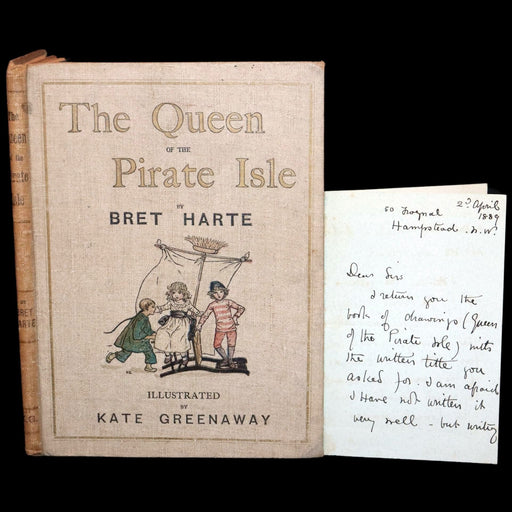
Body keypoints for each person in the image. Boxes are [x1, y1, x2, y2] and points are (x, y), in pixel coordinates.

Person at [196, 281, 245, 368]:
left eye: (221, 291)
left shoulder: (228, 302)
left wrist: (236, 316)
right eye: (215, 292)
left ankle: (230, 361)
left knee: (231, 345)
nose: (219, 295)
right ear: (212, 294)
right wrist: (200, 324)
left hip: (231, 328)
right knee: (216, 345)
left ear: (224, 292)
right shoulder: (212, 305)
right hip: (220, 329)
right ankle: (226, 359)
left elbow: (241, 308)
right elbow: (205, 315)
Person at [154, 282, 200, 368]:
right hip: (171, 322)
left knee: (178, 337)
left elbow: (194, 310)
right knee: (162, 333)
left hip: (182, 323)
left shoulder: (187, 303)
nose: (176, 295)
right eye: (174, 292)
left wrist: (199, 313)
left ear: (184, 293)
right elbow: (163, 307)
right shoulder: (171, 303)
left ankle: (184, 357)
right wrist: (158, 309)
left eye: (179, 292)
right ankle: (168, 354)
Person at [106, 298, 158, 372]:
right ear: (146, 308)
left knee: (128, 352)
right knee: (147, 350)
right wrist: (151, 337)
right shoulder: (141, 319)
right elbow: (137, 335)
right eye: (152, 307)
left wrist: (153, 333)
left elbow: (146, 329)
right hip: (134, 340)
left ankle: (113, 355)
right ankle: (148, 366)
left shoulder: (144, 317)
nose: (154, 309)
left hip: (134, 340)